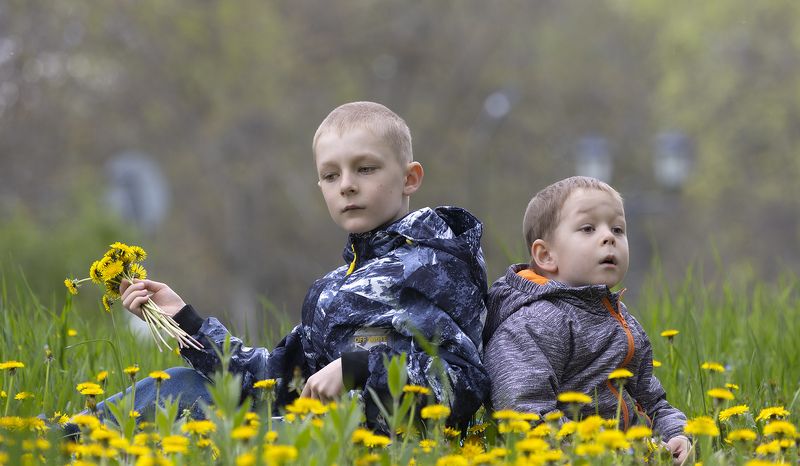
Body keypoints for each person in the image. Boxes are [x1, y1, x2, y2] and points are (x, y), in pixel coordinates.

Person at [115, 101, 490, 429]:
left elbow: (462, 382)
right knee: (177, 385)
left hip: (378, 446)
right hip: (305, 432)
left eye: (365, 169)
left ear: (410, 178)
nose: (346, 185)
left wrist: (358, 367)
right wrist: (183, 321)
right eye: (331, 175)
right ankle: (78, 437)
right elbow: (274, 382)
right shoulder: (331, 290)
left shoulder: (434, 266)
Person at [481, 176, 690, 464]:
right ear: (546, 255)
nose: (609, 237)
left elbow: (651, 401)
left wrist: (677, 435)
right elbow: (524, 415)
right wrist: (612, 451)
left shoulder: (619, 317)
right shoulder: (532, 324)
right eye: (588, 228)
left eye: (618, 229)